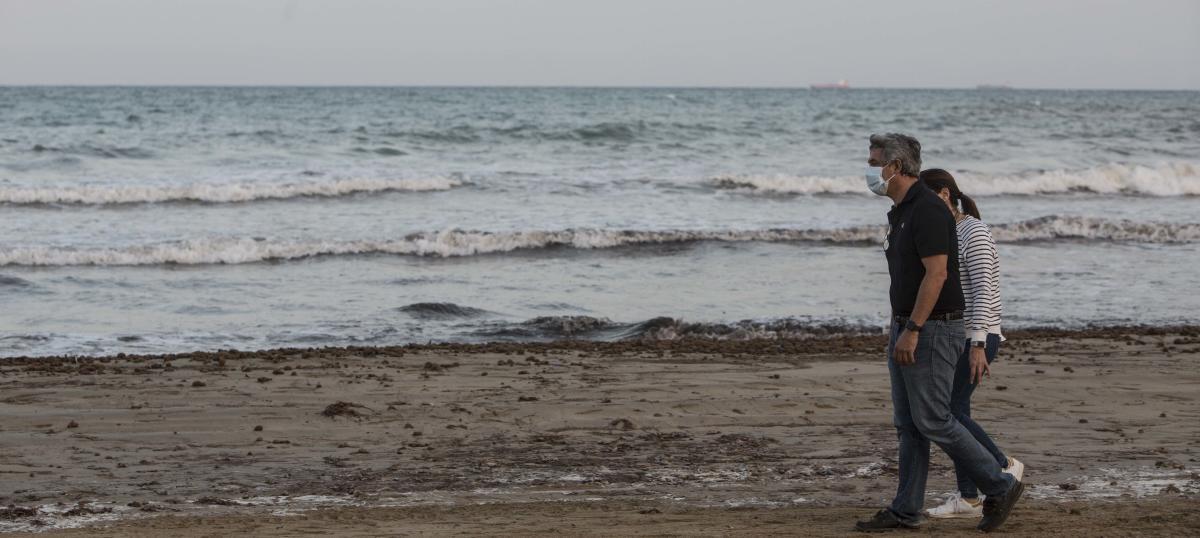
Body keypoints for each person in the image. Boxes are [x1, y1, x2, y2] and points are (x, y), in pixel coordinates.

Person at [854, 134, 1023, 533]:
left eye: (874, 161)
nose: (870, 168)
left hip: (931, 329)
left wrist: (913, 329)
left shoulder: (928, 209)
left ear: (895, 167)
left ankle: (999, 484)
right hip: (905, 325)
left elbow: (938, 274)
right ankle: (906, 509)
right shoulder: (900, 210)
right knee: (909, 424)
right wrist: (899, 326)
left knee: (934, 418)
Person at [919, 169, 1024, 519]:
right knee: (954, 412)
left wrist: (978, 342)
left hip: (977, 337)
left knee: (949, 413)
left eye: (925, 197)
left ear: (945, 194)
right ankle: (970, 496)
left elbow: (983, 290)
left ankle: (1002, 466)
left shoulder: (974, 231)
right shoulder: (948, 231)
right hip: (954, 336)